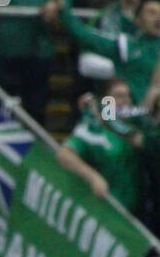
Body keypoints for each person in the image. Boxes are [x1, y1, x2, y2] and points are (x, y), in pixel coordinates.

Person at [56, 81, 147, 214]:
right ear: (104, 100)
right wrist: (93, 177)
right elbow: (64, 155)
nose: (124, 101)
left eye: (127, 96)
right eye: (118, 96)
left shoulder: (134, 126)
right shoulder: (93, 128)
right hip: (103, 209)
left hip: (133, 211)